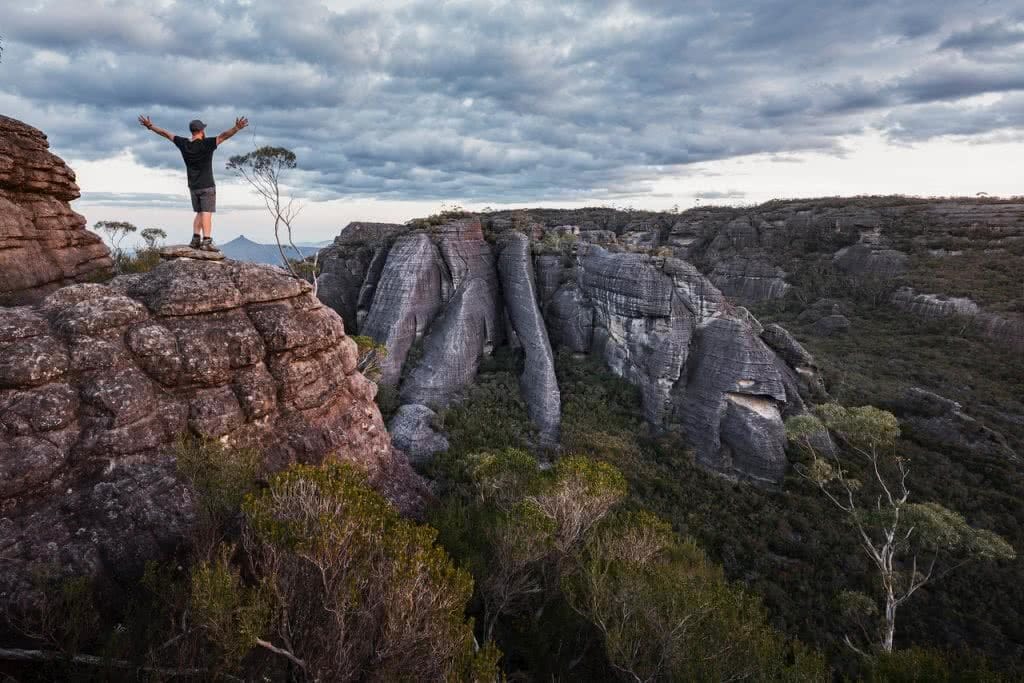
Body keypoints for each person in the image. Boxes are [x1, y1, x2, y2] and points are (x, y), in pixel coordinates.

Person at [137, 114, 248, 251]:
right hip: (207, 185)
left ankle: (196, 239)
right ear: (202, 130)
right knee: (206, 212)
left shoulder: (183, 144)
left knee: (199, 212)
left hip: (193, 186)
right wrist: (237, 127)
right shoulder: (207, 144)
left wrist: (150, 126)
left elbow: (165, 133)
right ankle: (206, 241)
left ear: (192, 131)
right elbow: (224, 136)